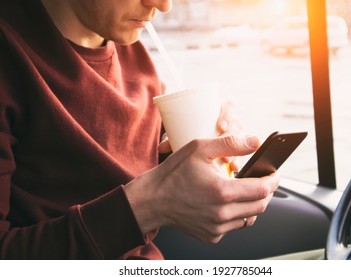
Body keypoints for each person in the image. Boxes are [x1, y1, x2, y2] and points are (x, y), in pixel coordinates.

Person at [0, 0, 280, 259]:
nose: (163, 5)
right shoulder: (11, 56)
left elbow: (134, 157)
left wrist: (196, 151)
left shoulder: (134, 54)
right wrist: (147, 207)